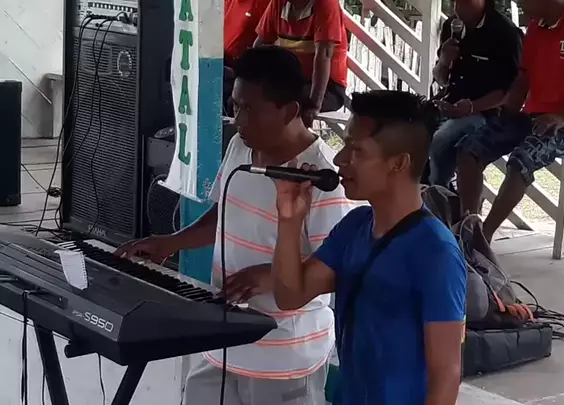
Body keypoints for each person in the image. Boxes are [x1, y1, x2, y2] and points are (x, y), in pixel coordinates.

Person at [116, 46, 354, 405]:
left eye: (250, 109)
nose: (239, 119)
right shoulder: (241, 148)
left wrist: (270, 275)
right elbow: (223, 213)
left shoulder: (321, 178)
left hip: (285, 356)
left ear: (290, 111)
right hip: (223, 341)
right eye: (235, 105)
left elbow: (334, 267)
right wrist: (171, 242)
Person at [269, 90, 467, 405]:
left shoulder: (436, 252)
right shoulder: (355, 226)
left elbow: (446, 374)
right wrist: (290, 221)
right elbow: (290, 295)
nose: (340, 159)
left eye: (357, 150)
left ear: (399, 163)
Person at [456, 0, 564, 242]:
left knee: (521, 160)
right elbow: (524, 77)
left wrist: (563, 115)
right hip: (533, 117)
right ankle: (469, 227)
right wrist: (508, 108)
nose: (519, 3)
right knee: (469, 149)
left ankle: (482, 239)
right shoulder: (534, 27)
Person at [429, 0, 523, 189]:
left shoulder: (505, 33)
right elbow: (442, 79)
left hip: (489, 112)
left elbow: (511, 90)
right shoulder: (451, 26)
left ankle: (439, 191)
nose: (458, 4)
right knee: (410, 126)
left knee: (442, 138)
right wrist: (444, 61)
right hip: (452, 103)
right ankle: (429, 188)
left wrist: (472, 107)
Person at [255, 0, 349, 127]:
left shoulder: (326, 3)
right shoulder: (278, 3)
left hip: (327, 88)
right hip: (290, 81)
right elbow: (260, 46)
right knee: (244, 98)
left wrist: (314, 105)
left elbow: (324, 56)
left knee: (277, 103)